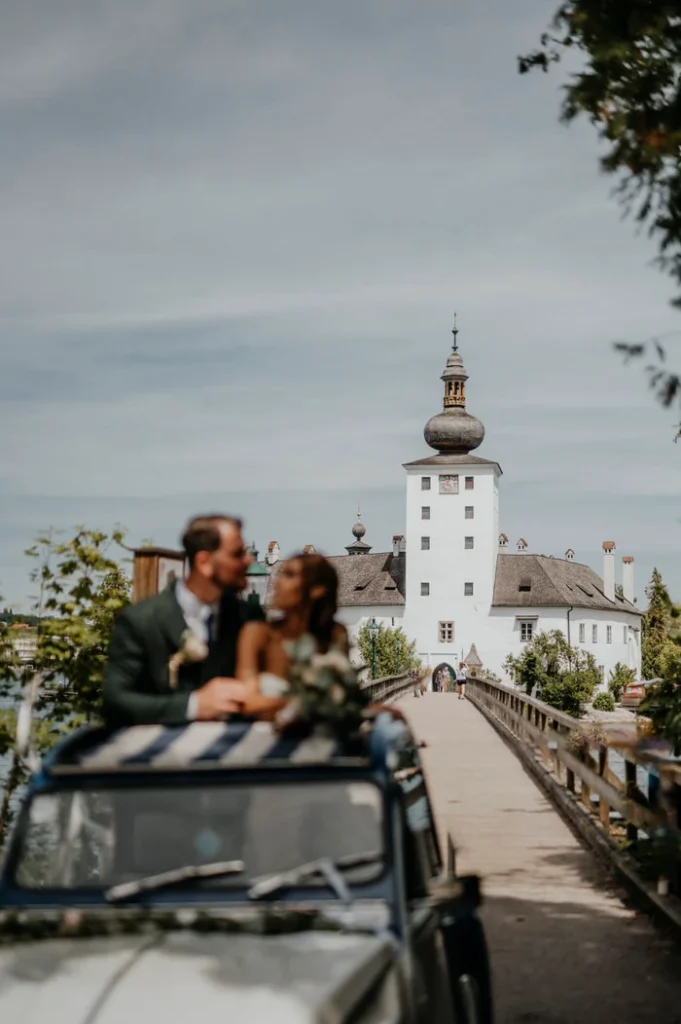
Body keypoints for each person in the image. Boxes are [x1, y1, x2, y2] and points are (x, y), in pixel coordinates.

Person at [102, 514, 264, 727]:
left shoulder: (249, 616)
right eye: (237, 554)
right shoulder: (142, 620)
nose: (248, 561)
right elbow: (115, 702)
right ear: (204, 562)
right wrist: (193, 705)